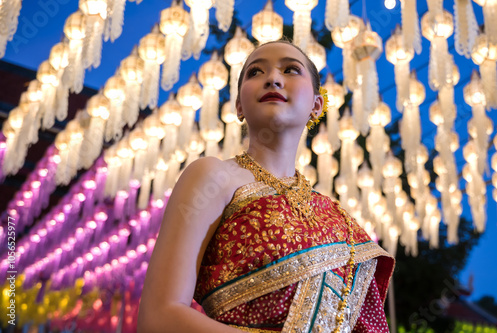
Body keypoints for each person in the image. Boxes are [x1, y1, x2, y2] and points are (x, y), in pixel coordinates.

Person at [137, 40, 395, 333]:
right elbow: (159, 317)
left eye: (290, 69)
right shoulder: (214, 177)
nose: (272, 78)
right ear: (238, 106)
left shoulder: (337, 217)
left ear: (316, 104)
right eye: (255, 72)